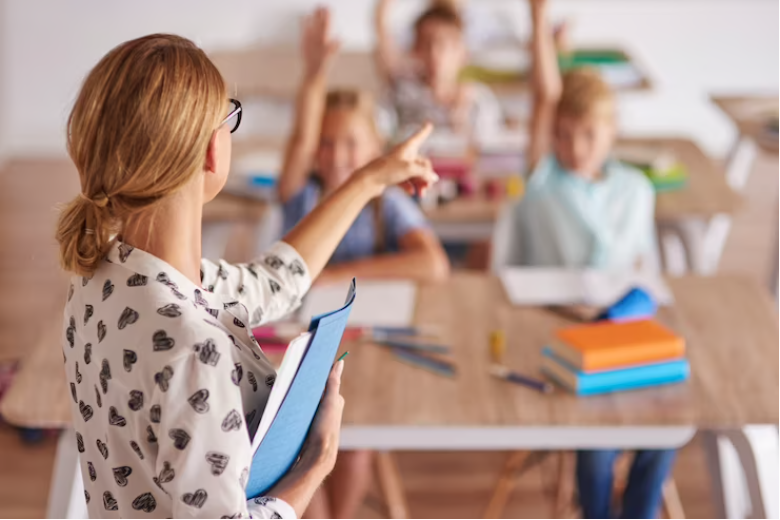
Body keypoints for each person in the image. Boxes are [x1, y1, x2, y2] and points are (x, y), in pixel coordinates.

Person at [55, 33, 437, 519]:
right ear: (213, 152)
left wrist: (368, 180)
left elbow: (273, 280)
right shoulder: (195, 348)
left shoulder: (104, 275)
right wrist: (315, 464)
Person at [508, 0, 675, 518]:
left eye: (587, 135)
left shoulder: (634, 187)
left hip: (620, 332)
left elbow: (644, 267)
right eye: (562, 134)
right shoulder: (544, 181)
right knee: (598, 437)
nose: (572, 146)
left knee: (666, 429)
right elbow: (545, 95)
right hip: (558, 329)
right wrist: (539, 26)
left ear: (612, 132)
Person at [280, 7, 450, 286]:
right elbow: (301, 138)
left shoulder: (387, 204)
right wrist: (314, 74)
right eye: (325, 143)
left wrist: (337, 277)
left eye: (351, 144)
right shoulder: (301, 196)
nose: (336, 156)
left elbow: (434, 264)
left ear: (375, 150)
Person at [375, 0, 504, 137]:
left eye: (443, 45)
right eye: (426, 44)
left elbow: (489, 149)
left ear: (462, 52)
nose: (434, 54)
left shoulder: (479, 102)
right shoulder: (399, 94)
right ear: (415, 50)